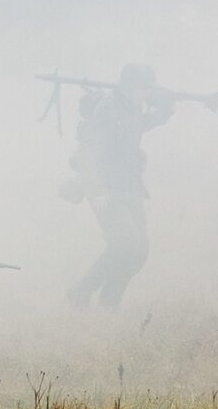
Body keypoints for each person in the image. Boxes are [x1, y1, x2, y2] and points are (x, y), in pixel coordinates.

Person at [64, 64, 175, 310]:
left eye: (148, 89)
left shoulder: (132, 108)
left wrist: (166, 110)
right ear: (128, 87)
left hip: (130, 186)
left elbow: (142, 124)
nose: (145, 94)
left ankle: (108, 300)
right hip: (105, 188)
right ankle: (82, 292)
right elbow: (89, 152)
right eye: (142, 88)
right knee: (125, 244)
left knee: (139, 252)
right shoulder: (108, 109)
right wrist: (97, 189)